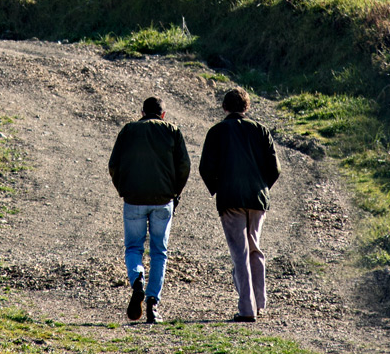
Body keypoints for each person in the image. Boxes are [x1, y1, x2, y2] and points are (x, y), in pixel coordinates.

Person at [198, 86, 281, 322]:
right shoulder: (261, 130)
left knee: (240, 253)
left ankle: (247, 309)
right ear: (247, 107)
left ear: (224, 107)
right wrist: (262, 187)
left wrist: (219, 187)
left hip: (231, 199)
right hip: (257, 199)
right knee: (255, 248)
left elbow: (205, 168)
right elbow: (275, 168)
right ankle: (260, 303)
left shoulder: (217, 131)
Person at [108, 96, 191, 324]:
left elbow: (113, 164)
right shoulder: (173, 131)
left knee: (133, 247)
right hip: (163, 200)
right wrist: (175, 192)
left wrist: (124, 189)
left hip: (133, 199)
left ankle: (137, 282)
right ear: (163, 114)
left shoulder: (128, 130)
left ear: (142, 113)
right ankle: (152, 304)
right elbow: (184, 165)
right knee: (159, 252)